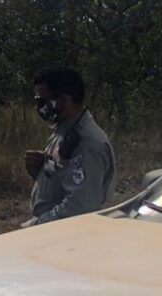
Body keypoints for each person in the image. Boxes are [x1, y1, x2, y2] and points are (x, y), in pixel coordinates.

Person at [22, 68, 115, 228]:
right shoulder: (65, 130)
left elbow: (81, 206)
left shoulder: (87, 142)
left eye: (43, 100)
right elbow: (65, 177)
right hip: (54, 230)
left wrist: (39, 225)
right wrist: (41, 170)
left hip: (67, 236)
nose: (39, 106)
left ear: (63, 100)